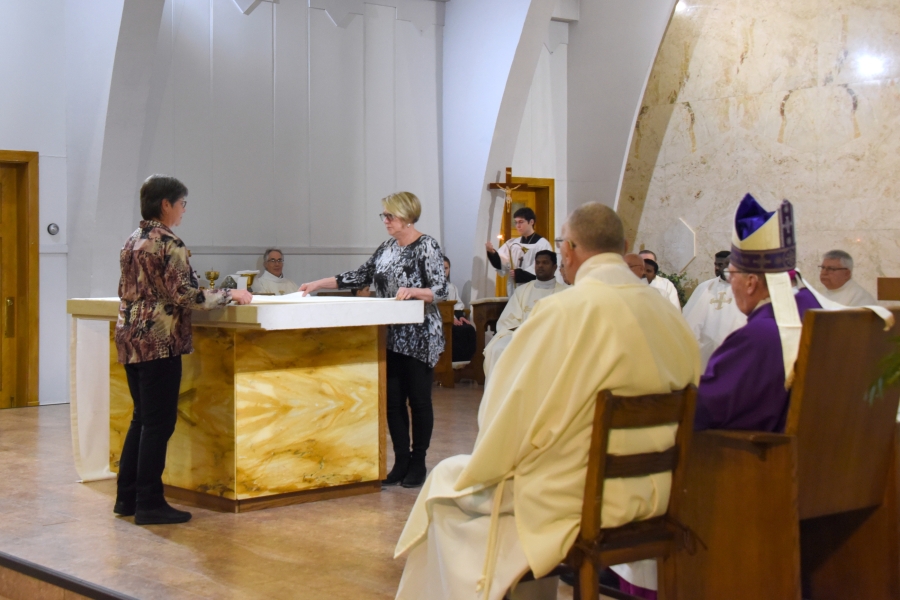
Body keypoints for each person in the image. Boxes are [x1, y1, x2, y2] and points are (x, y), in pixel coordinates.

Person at [393, 203, 700, 600]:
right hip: (657, 493)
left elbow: (505, 413)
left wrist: (494, 462)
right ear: (623, 246)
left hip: (581, 501)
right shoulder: (671, 315)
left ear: (568, 251)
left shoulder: (562, 312)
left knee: (447, 486)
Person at [114, 175, 252, 526]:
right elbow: (186, 295)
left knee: (141, 419)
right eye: (182, 204)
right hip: (159, 340)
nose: (183, 211)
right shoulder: (168, 242)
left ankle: (126, 497)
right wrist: (229, 294)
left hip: (129, 336)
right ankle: (149, 502)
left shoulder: (133, 239)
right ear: (166, 205)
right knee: (159, 423)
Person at [299, 192, 446, 488]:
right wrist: (318, 284)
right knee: (392, 401)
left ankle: (418, 462)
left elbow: (441, 289)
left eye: (389, 216)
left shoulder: (427, 245)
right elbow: (360, 275)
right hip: (389, 334)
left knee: (418, 401)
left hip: (419, 335)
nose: (386, 221)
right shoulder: (387, 248)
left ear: (406, 216)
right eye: (384, 216)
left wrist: (415, 291)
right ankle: (401, 460)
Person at [482, 250, 567, 378]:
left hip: (550, 337)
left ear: (554, 267)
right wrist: (524, 331)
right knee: (498, 348)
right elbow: (507, 321)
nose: (540, 266)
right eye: (537, 263)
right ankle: (500, 396)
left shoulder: (564, 293)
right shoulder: (522, 291)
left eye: (545, 263)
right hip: (520, 334)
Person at [681, 250, 747, 370]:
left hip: (736, 353)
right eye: (722, 265)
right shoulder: (704, 287)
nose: (724, 268)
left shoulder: (746, 289)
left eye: (729, 265)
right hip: (705, 355)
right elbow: (690, 320)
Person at [485, 207, 553, 297]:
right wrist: (492, 253)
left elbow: (545, 270)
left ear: (531, 222)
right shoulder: (512, 243)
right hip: (514, 292)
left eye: (521, 222)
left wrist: (520, 274)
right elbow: (501, 262)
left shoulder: (542, 244)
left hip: (533, 292)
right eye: (516, 222)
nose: (517, 226)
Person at [442, 256, 476, 362]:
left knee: (469, 329)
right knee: (457, 332)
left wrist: (460, 316)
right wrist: (450, 318)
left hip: (453, 318)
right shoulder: (429, 288)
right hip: (441, 320)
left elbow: (458, 305)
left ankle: (467, 364)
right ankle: (453, 363)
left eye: (446, 268)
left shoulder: (452, 287)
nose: (443, 271)